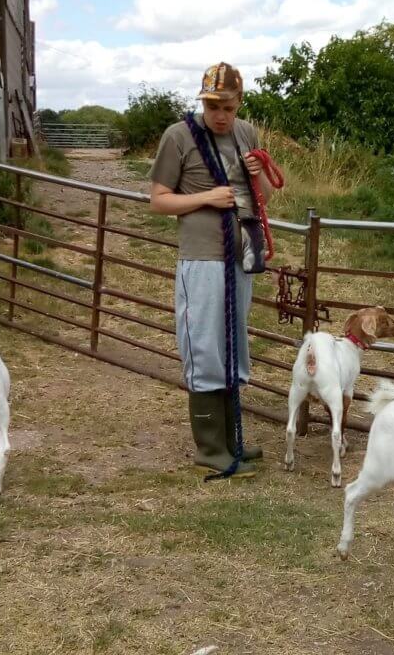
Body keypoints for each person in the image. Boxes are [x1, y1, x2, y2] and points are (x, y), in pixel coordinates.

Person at [149, 62, 278, 479]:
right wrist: (206, 198)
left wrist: (260, 179)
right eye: (211, 105)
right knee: (205, 344)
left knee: (232, 342)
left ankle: (230, 440)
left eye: (227, 105)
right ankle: (209, 447)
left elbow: (265, 199)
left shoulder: (246, 135)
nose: (219, 114)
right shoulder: (180, 136)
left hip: (240, 254)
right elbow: (159, 201)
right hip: (202, 257)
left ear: (239, 102)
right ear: (202, 101)